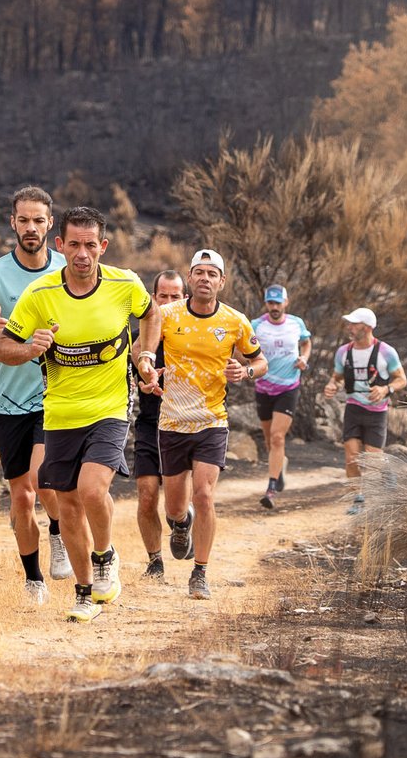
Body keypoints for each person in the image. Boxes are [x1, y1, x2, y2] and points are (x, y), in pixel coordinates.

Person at [0, 205, 162, 623]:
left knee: (91, 490)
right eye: (74, 245)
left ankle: (105, 555)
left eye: (91, 245)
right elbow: (2, 348)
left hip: (109, 407)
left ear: (103, 246)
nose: (83, 253)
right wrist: (30, 348)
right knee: (66, 502)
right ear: (60, 246)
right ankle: (84, 593)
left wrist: (144, 354)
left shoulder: (125, 284)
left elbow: (151, 314)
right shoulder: (40, 295)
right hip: (60, 413)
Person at [0, 186, 68, 606]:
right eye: (23, 220)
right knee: (20, 496)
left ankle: (58, 533)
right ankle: (33, 578)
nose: (31, 228)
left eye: (38, 220)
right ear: (13, 223)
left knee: (43, 482)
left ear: (49, 223)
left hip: (55, 395)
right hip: (6, 402)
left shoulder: (66, 268)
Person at [136, 250, 264, 600]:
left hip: (212, 421)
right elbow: (140, 349)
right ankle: (180, 525)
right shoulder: (166, 314)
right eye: (199, 272)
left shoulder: (236, 321)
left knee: (204, 495)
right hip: (172, 421)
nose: (205, 278)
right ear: (189, 279)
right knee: (175, 507)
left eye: (212, 273)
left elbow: (260, 361)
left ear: (222, 281)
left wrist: (246, 371)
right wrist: (147, 368)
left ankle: (200, 573)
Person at [321, 307, 406, 516]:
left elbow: (401, 379)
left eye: (354, 324)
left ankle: (386, 473)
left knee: (373, 459)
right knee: (351, 457)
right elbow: (337, 377)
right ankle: (357, 499)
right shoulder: (343, 352)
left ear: (367, 327)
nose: (349, 327)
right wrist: (332, 386)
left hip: (377, 412)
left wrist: (386, 388)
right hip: (353, 408)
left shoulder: (386, 352)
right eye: (348, 323)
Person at [134, 270, 186, 579]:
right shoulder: (145, 327)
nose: (167, 302)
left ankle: (181, 523)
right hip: (150, 421)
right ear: (154, 298)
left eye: (174, 296)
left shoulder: (193, 330)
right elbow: (135, 359)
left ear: (185, 298)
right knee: (146, 493)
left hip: (184, 423)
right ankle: (154, 562)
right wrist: (142, 380)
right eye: (162, 296)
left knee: (176, 505)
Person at [252, 283, 312, 510]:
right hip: (263, 387)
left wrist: (304, 358)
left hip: (289, 387)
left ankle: (271, 489)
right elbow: (243, 348)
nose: (274, 307)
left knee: (278, 437)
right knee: (269, 441)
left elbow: (306, 343)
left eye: (278, 302)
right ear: (266, 303)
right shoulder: (256, 325)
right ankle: (280, 467)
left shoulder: (296, 323)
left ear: (286, 302)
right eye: (271, 303)